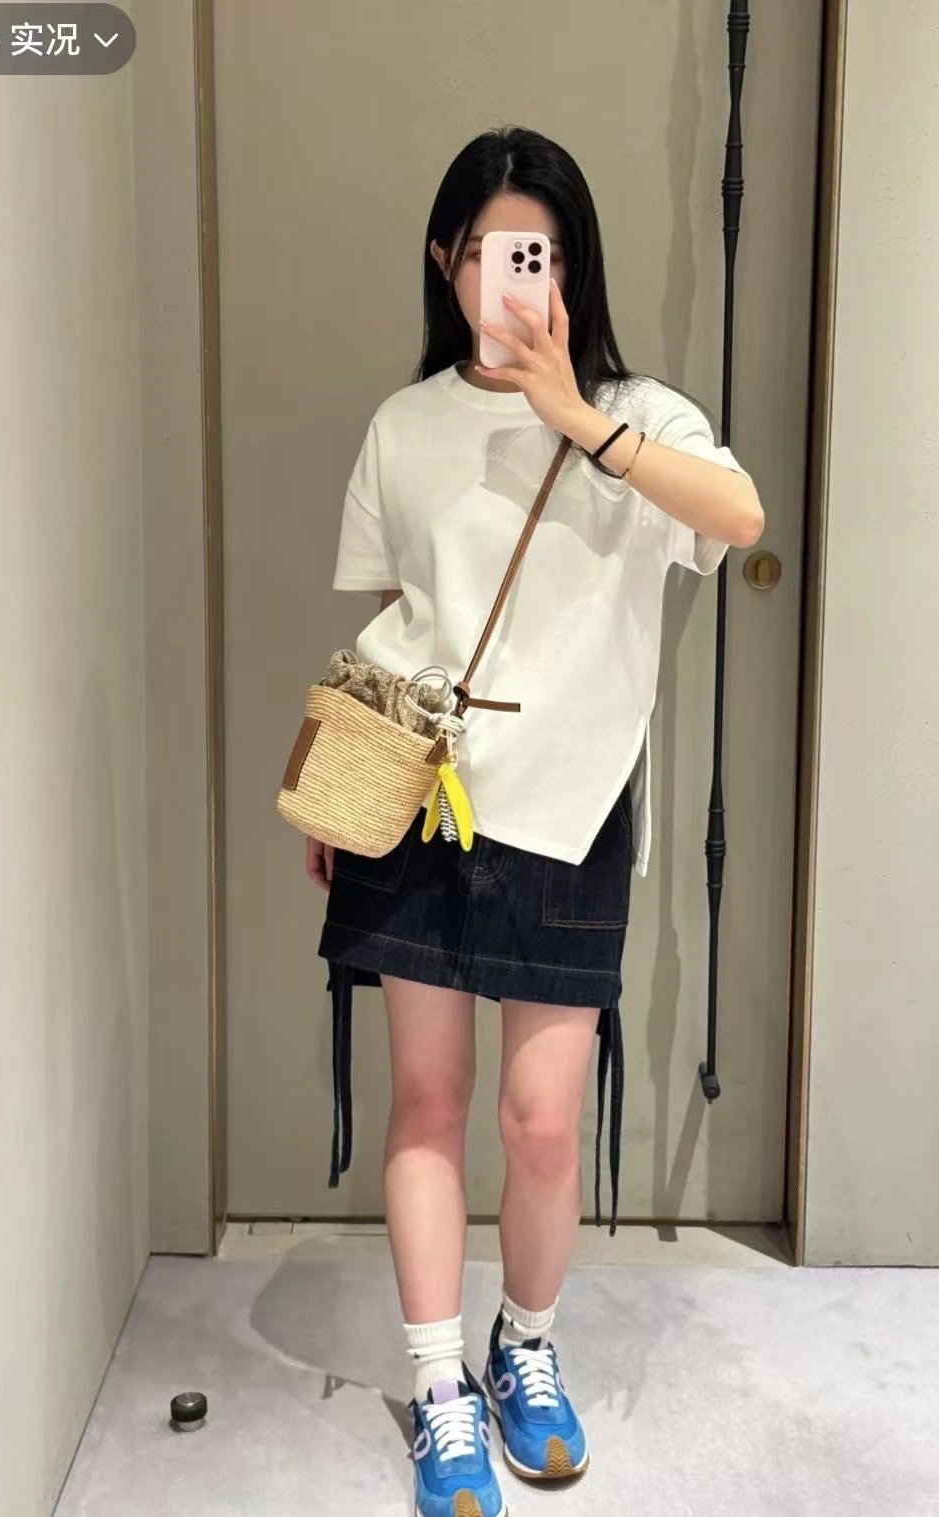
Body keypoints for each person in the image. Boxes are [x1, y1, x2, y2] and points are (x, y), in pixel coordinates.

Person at [305, 126, 763, 1517]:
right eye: (492, 252)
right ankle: (441, 1384)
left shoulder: (642, 412)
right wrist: (340, 778)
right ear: (444, 262)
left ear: (575, 264)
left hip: (570, 806)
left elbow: (739, 518)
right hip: (421, 806)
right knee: (429, 1102)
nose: (517, 278)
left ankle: (527, 1346)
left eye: (543, 253)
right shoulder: (405, 427)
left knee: (544, 1121)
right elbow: (403, 616)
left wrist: (581, 420)